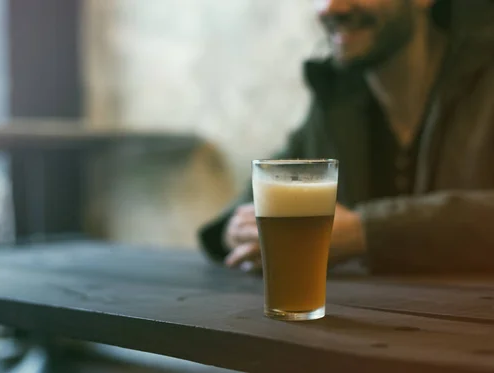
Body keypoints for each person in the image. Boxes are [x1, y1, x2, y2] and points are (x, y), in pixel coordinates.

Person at [199, 0, 494, 274]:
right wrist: (236, 231)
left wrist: (366, 232)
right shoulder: (336, 98)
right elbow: (268, 186)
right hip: (372, 322)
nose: (331, 7)